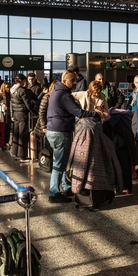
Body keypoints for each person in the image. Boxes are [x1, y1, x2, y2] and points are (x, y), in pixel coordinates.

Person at [46, 70, 100, 203]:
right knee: (59, 164)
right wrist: (96, 114)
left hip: (53, 129)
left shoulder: (56, 92)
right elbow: (78, 112)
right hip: (60, 131)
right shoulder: (64, 95)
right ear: (64, 81)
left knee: (63, 161)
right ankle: (53, 193)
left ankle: (66, 186)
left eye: (76, 80)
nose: (75, 83)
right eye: (72, 80)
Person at [10, 74, 39, 162]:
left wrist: (12, 114)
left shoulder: (12, 90)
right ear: (22, 80)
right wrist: (35, 113)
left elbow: (11, 103)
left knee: (16, 134)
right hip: (22, 114)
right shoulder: (22, 90)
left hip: (15, 114)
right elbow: (28, 105)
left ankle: (15, 152)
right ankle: (22, 155)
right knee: (22, 134)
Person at [33, 80, 58, 148]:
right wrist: (43, 126)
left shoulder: (58, 97)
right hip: (47, 124)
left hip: (53, 125)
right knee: (47, 145)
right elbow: (41, 112)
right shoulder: (47, 97)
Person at [0, 82, 12, 148]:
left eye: (8, 87)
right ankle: (2, 141)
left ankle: (6, 141)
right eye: (6, 87)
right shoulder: (0, 94)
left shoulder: (10, 94)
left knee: (8, 126)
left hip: (8, 111)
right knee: (3, 126)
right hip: (2, 112)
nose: (8, 88)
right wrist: (2, 104)